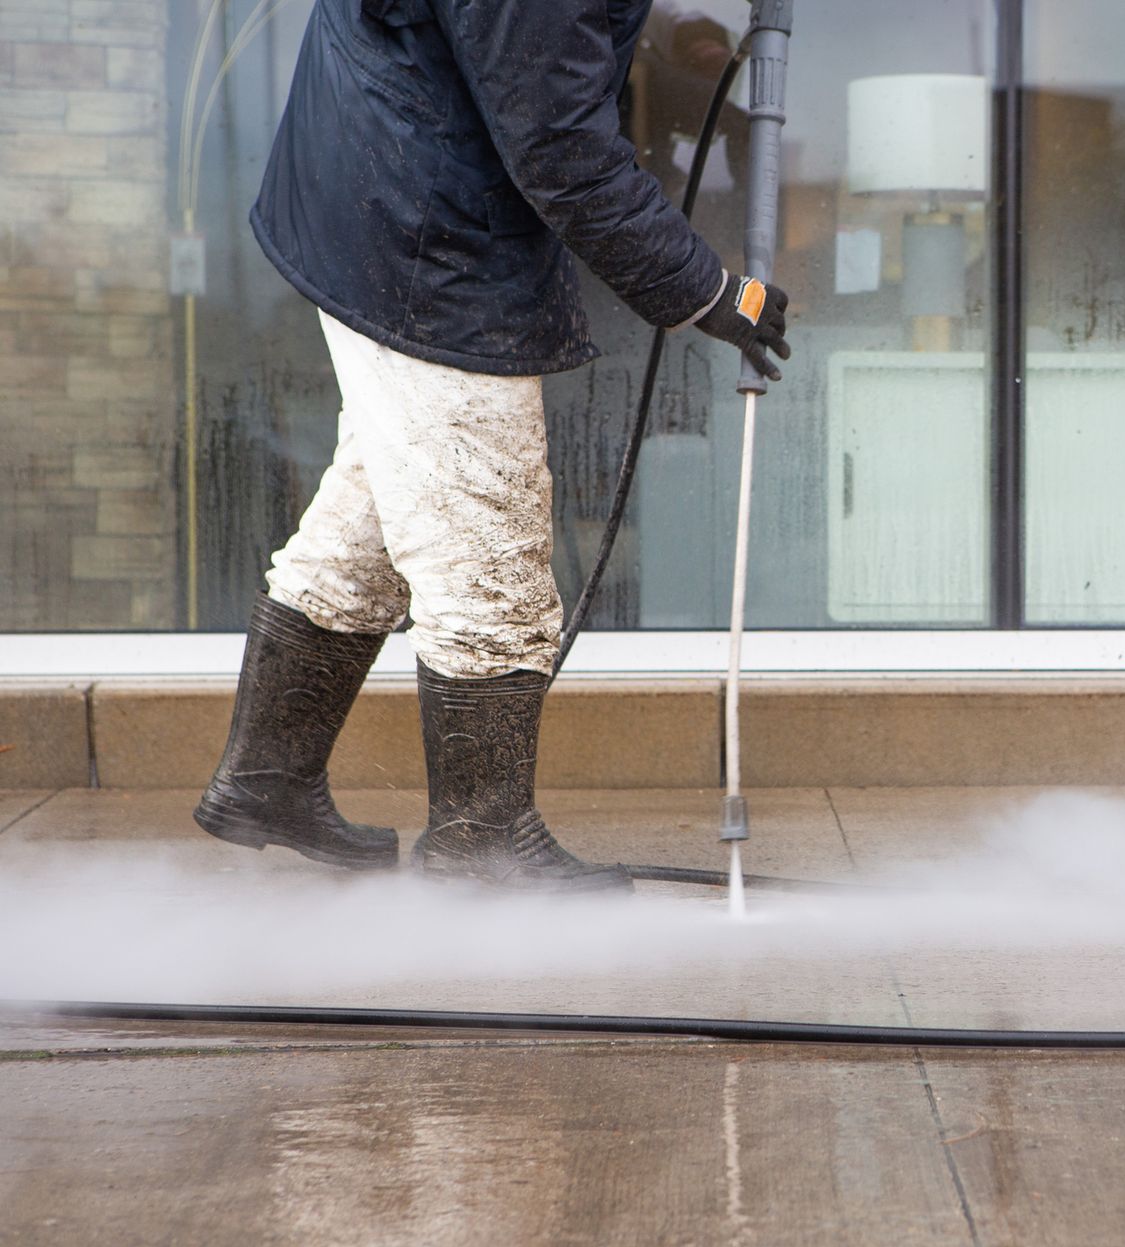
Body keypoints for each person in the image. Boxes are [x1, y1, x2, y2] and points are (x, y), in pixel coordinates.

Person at [193, 0, 789, 894]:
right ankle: (483, 840)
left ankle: (265, 780)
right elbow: (562, 151)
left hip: (382, 187)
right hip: (424, 235)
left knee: (378, 513)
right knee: (488, 544)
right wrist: (713, 292)